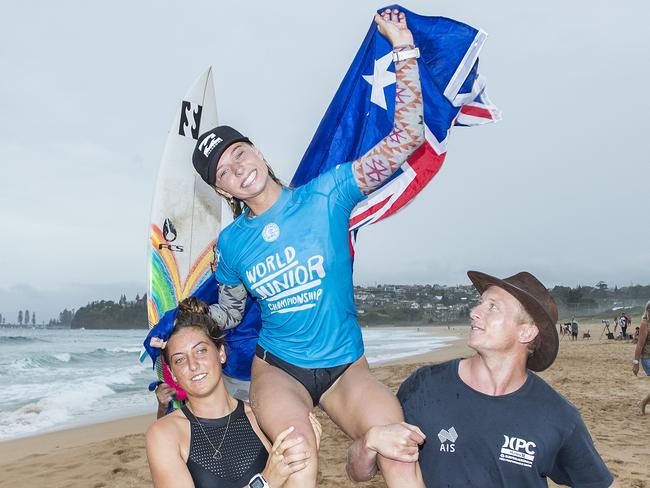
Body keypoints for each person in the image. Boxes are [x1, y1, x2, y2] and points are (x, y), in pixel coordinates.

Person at [188, 9, 426, 486]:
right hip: (279, 370)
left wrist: (403, 48)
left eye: (239, 154)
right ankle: (358, 448)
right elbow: (231, 313)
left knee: (399, 447)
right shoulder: (231, 243)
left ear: (256, 150)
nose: (238, 170)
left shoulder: (328, 193)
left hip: (347, 368)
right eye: (224, 174)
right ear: (223, 192)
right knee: (297, 452)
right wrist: (189, 323)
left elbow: (407, 138)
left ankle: (366, 447)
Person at [354, 270, 618, 487]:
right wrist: (368, 443)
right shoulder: (424, 386)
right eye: (480, 303)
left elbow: (600, 482)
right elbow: (359, 472)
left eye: (493, 307)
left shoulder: (557, 416)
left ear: (526, 332)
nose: (475, 312)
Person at [145, 298, 321, 488]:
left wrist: (304, 467)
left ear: (221, 353)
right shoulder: (165, 434)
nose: (193, 365)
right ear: (172, 373)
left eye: (201, 351)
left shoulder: (260, 419)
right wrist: (265, 482)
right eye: (179, 360)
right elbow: (272, 480)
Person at [632, 300, 650, 415]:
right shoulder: (645, 323)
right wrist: (636, 362)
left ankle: (643, 402)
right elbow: (639, 344)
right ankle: (643, 402)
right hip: (647, 358)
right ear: (648, 310)